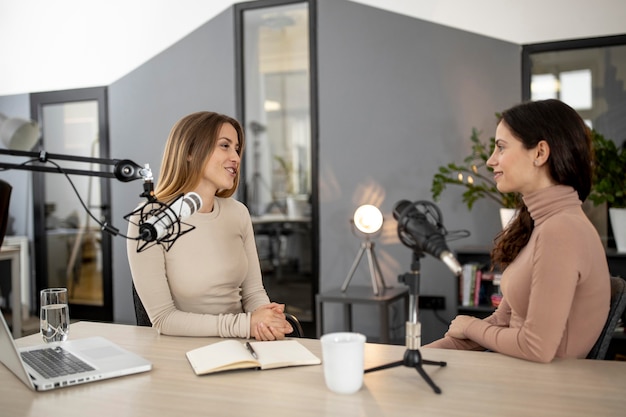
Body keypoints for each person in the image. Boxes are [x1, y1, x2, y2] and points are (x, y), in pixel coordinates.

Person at [424, 99, 610, 363]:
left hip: (542, 394)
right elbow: (503, 322)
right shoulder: (544, 225)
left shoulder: (561, 231)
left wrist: (469, 326)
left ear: (539, 153)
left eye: (501, 147)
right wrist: (424, 354)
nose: (491, 161)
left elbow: (536, 348)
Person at [127, 111, 293, 340]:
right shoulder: (151, 219)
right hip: (182, 355)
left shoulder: (238, 213)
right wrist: (246, 325)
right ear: (190, 152)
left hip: (240, 346)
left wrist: (266, 321)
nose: (235, 157)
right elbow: (163, 318)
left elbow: (253, 292)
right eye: (224, 146)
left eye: (236, 148)